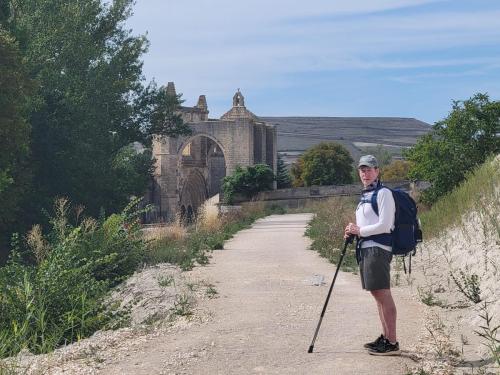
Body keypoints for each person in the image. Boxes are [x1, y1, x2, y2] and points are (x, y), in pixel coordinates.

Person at [344, 155, 400, 356]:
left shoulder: (384, 193)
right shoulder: (366, 195)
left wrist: (360, 231)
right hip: (367, 248)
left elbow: (385, 225)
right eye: (362, 170)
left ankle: (392, 342)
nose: (364, 173)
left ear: (377, 171)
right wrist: (353, 231)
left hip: (378, 249)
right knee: (377, 294)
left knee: (383, 294)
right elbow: (366, 225)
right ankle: (385, 338)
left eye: (368, 169)